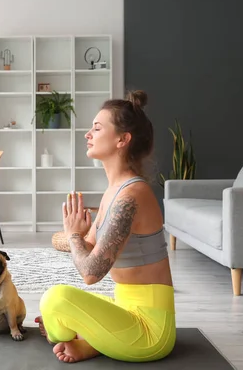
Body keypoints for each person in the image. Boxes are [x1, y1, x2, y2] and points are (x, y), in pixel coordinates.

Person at [35, 90, 176, 364]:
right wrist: (72, 234)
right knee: (58, 303)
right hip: (125, 308)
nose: (88, 134)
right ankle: (92, 342)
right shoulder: (114, 190)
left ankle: (77, 337)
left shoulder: (131, 196)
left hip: (150, 332)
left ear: (122, 139)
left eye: (97, 128)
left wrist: (73, 234)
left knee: (56, 299)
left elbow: (90, 272)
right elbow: (87, 246)